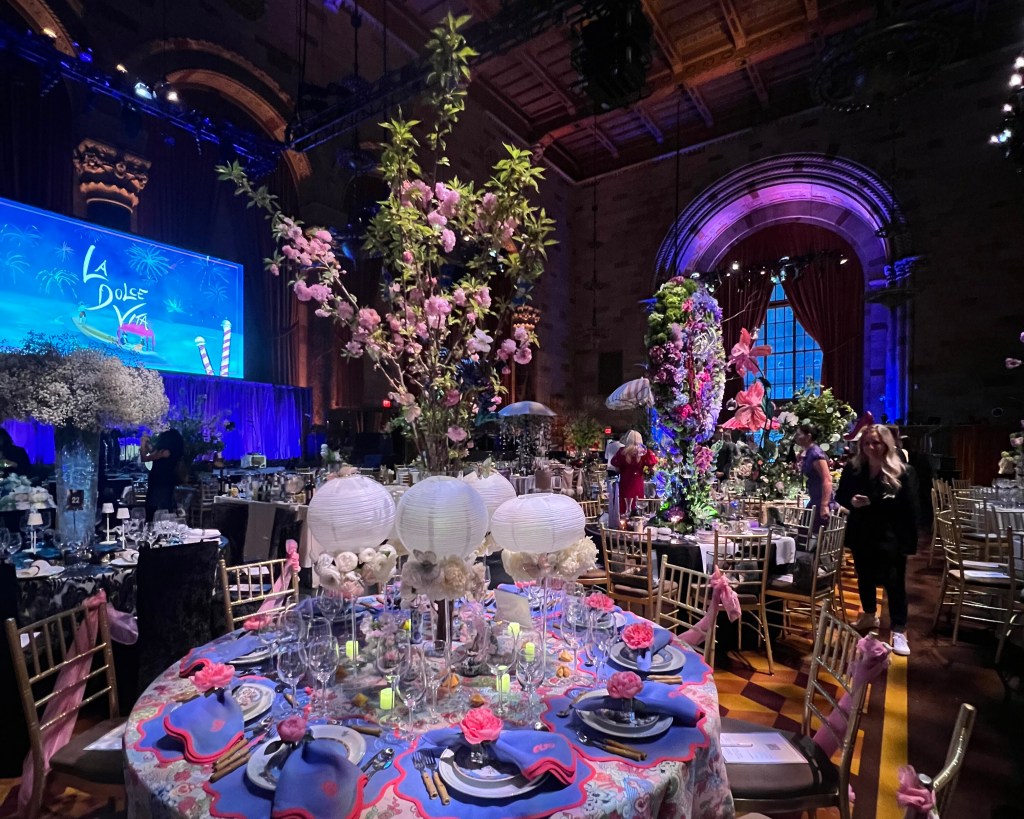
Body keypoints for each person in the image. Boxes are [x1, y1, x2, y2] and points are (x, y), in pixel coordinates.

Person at [835, 425, 918, 657]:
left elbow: (909, 508)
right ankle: (869, 614)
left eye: (876, 443)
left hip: (891, 534)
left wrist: (909, 543)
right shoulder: (854, 468)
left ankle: (899, 629)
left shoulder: (903, 471)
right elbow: (841, 495)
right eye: (867, 443)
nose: (871, 447)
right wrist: (851, 501)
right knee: (865, 576)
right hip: (862, 532)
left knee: (894, 583)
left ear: (887, 444)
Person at [794, 422, 832, 535]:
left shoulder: (816, 454)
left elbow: (827, 479)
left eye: (799, 434)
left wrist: (824, 505)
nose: (796, 437)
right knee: (803, 531)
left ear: (808, 436)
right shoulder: (808, 452)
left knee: (812, 534)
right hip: (815, 499)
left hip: (821, 500)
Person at [141, 428, 185, 522]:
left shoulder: (164, 452)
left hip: (158, 482)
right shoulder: (171, 452)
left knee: (154, 508)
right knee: (165, 507)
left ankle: (152, 526)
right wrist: (148, 445)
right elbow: (153, 452)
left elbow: (144, 458)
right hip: (167, 482)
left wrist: (143, 444)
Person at [610, 430, 657, 515]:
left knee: (625, 505)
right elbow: (652, 463)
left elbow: (616, 467)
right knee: (638, 505)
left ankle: (624, 519)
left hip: (625, 483)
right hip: (638, 483)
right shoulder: (644, 452)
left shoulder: (622, 452)